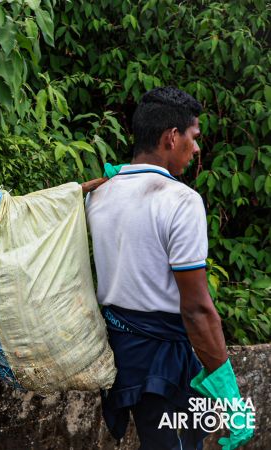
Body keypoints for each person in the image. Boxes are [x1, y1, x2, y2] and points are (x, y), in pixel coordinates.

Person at [85, 87, 254, 449]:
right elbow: (196, 310)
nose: (196, 149)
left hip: (124, 352)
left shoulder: (98, 194)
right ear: (171, 137)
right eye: (194, 137)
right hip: (160, 360)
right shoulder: (180, 200)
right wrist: (230, 396)